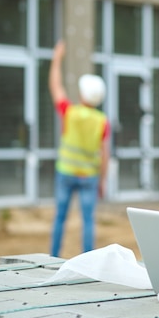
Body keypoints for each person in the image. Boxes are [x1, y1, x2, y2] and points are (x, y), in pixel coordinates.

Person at [49, 40, 110, 258]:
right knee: (88, 221)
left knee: (60, 218)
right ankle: (88, 260)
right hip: (89, 177)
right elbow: (105, 154)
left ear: (82, 95)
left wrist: (57, 59)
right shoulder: (102, 121)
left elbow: (56, 88)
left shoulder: (70, 112)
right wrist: (102, 180)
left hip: (65, 173)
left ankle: (53, 257)